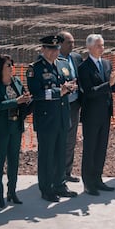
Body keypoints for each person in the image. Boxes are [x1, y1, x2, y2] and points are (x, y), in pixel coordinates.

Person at [27, 35, 78, 202]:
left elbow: (68, 81)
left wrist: (70, 87)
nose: (53, 52)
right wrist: (59, 92)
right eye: (50, 49)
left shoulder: (63, 64)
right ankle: (46, 188)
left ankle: (60, 184)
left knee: (60, 153)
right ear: (43, 49)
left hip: (63, 116)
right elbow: (36, 94)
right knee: (47, 155)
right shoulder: (35, 68)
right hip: (46, 119)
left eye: (56, 49)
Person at [78, 34, 115, 196]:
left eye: (103, 45)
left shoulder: (106, 64)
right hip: (91, 114)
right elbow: (89, 92)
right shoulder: (84, 67)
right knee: (90, 149)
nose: (102, 48)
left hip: (105, 114)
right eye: (99, 45)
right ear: (90, 47)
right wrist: (109, 84)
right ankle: (88, 182)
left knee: (101, 149)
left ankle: (98, 179)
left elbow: (110, 89)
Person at [0, 55, 32, 208]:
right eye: (8, 65)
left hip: (15, 126)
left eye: (12, 64)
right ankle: (0, 195)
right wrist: (16, 101)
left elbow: (23, 100)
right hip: (0, 128)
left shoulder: (17, 81)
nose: (11, 67)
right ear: (0, 67)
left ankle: (12, 192)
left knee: (14, 161)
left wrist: (27, 100)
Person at [58, 31, 83, 183]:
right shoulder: (55, 59)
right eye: (69, 42)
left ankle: (67, 171)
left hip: (74, 105)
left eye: (73, 42)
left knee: (71, 140)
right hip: (60, 105)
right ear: (60, 43)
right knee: (60, 139)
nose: (72, 45)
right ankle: (57, 172)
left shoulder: (76, 58)